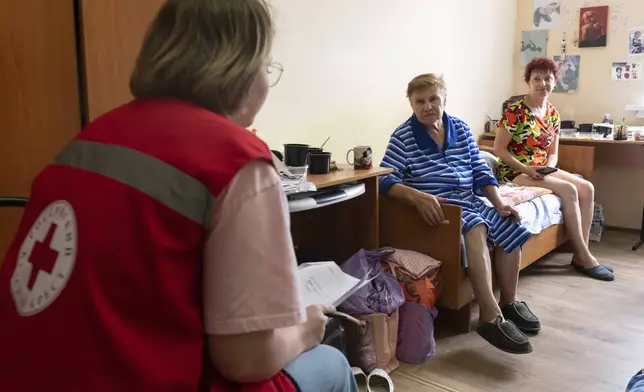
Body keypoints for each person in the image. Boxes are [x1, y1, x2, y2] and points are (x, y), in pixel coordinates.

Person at [0, 1, 356, 391]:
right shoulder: (236, 160)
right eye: (267, 66)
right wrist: (305, 330)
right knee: (331, 363)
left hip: (23, 373)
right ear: (241, 66)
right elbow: (245, 361)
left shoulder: (92, 137)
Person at [379, 73, 539, 355]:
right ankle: (489, 315)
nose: (427, 106)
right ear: (412, 105)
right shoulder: (403, 137)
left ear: (444, 100)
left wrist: (499, 202)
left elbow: (480, 171)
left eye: (433, 99)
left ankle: (509, 303)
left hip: (469, 200)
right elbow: (384, 180)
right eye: (420, 101)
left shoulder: (461, 129)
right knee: (476, 226)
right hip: (439, 208)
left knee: (510, 224)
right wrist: (417, 197)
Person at [493, 57, 614, 282]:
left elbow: (553, 153)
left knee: (586, 188)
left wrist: (548, 169)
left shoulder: (553, 114)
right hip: (515, 170)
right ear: (528, 82)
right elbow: (498, 149)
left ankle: (581, 252)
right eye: (536, 79)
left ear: (554, 81)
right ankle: (584, 256)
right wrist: (528, 170)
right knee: (568, 189)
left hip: (541, 169)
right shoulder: (515, 111)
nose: (542, 83)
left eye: (547, 78)